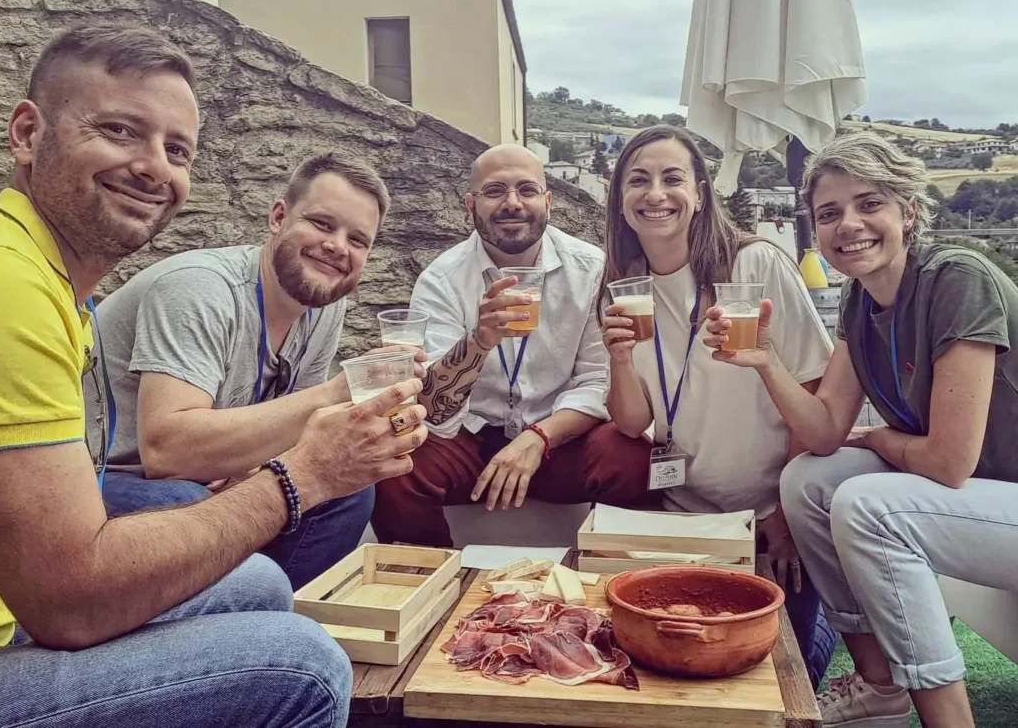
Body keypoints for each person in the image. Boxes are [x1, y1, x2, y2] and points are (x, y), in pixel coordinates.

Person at [0, 24, 428, 728]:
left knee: (264, 579)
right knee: (305, 662)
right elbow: (155, 469)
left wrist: (300, 464)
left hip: (45, 564)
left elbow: (287, 429)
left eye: (176, 150)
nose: (151, 167)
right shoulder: (17, 287)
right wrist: (303, 470)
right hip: (105, 515)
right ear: (26, 134)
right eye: (118, 129)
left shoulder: (47, 277)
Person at [703, 131, 1018, 728]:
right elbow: (823, 434)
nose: (848, 224)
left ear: (909, 212)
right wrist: (766, 360)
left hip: (994, 497)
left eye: (869, 204)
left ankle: (948, 718)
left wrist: (879, 441)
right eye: (829, 213)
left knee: (868, 502)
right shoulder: (859, 300)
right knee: (810, 479)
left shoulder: (957, 279)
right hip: (981, 504)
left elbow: (950, 463)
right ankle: (881, 686)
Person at [88, 152, 424, 590]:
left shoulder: (324, 303)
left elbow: (299, 435)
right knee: (181, 502)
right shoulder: (200, 288)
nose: (338, 247)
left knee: (349, 487)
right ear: (278, 217)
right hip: (105, 477)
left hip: (210, 472)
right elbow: (166, 452)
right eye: (322, 224)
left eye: (358, 240)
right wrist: (337, 393)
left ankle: (282, 621)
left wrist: (255, 471)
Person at [598, 124, 837, 688]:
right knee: (682, 665)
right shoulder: (622, 286)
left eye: (672, 178)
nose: (655, 194)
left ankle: (823, 614)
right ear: (621, 200)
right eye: (639, 181)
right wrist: (617, 359)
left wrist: (785, 510)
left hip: (768, 513)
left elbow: (815, 384)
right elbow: (633, 422)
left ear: (700, 193)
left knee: (784, 670)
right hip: (684, 509)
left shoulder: (755, 264)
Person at [370, 143, 658, 547]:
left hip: (559, 439)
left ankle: (609, 584)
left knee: (631, 459)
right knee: (394, 464)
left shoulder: (590, 269)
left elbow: (597, 380)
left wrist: (538, 438)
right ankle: (432, 585)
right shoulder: (443, 279)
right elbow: (432, 409)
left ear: (548, 201)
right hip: (469, 438)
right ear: (470, 204)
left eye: (526, 190)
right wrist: (479, 341)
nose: (512, 203)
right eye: (494, 192)